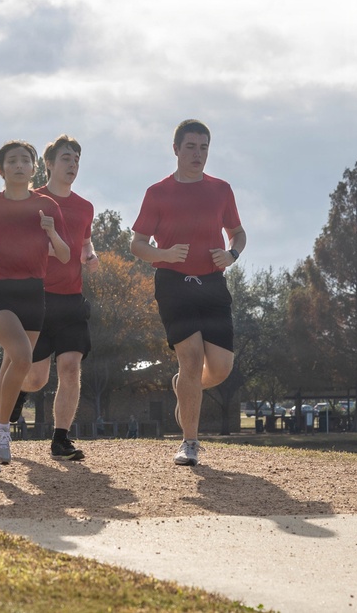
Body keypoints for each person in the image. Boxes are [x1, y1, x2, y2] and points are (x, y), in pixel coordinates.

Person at [130, 119, 246, 466]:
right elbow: (137, 244)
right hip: (173, 283)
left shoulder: (222, 190)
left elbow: (238, 233)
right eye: (191, 147)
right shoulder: (158, 192)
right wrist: (163, 255)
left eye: (204, 147)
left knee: (222, 369)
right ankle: (190, 443)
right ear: (176, 149)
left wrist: (232, 254)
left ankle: (185, 385)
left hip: (212, 284)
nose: (198, 154)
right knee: (192, 357)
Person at [0, 140, 69, 473]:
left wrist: (51, 232)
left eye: (26, 160)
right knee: (23, 357)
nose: (20, 165)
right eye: (12, 161)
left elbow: (65, 256)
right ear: (1, 168)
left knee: (11, 371)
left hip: (33, 295)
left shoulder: (48, 206)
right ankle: (2, 433)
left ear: (35, 168)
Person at [13, 135, 97, 461]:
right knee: (35, 377)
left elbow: (85, 242)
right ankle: (13, 401)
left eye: (76, 158)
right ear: (48, 164)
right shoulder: (32, 200)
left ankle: (61, 440)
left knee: (71, 366)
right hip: (36, 298)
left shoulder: (86, 207)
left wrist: (90, 255)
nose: (72, 164)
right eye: (65, 158)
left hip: (72, 299)